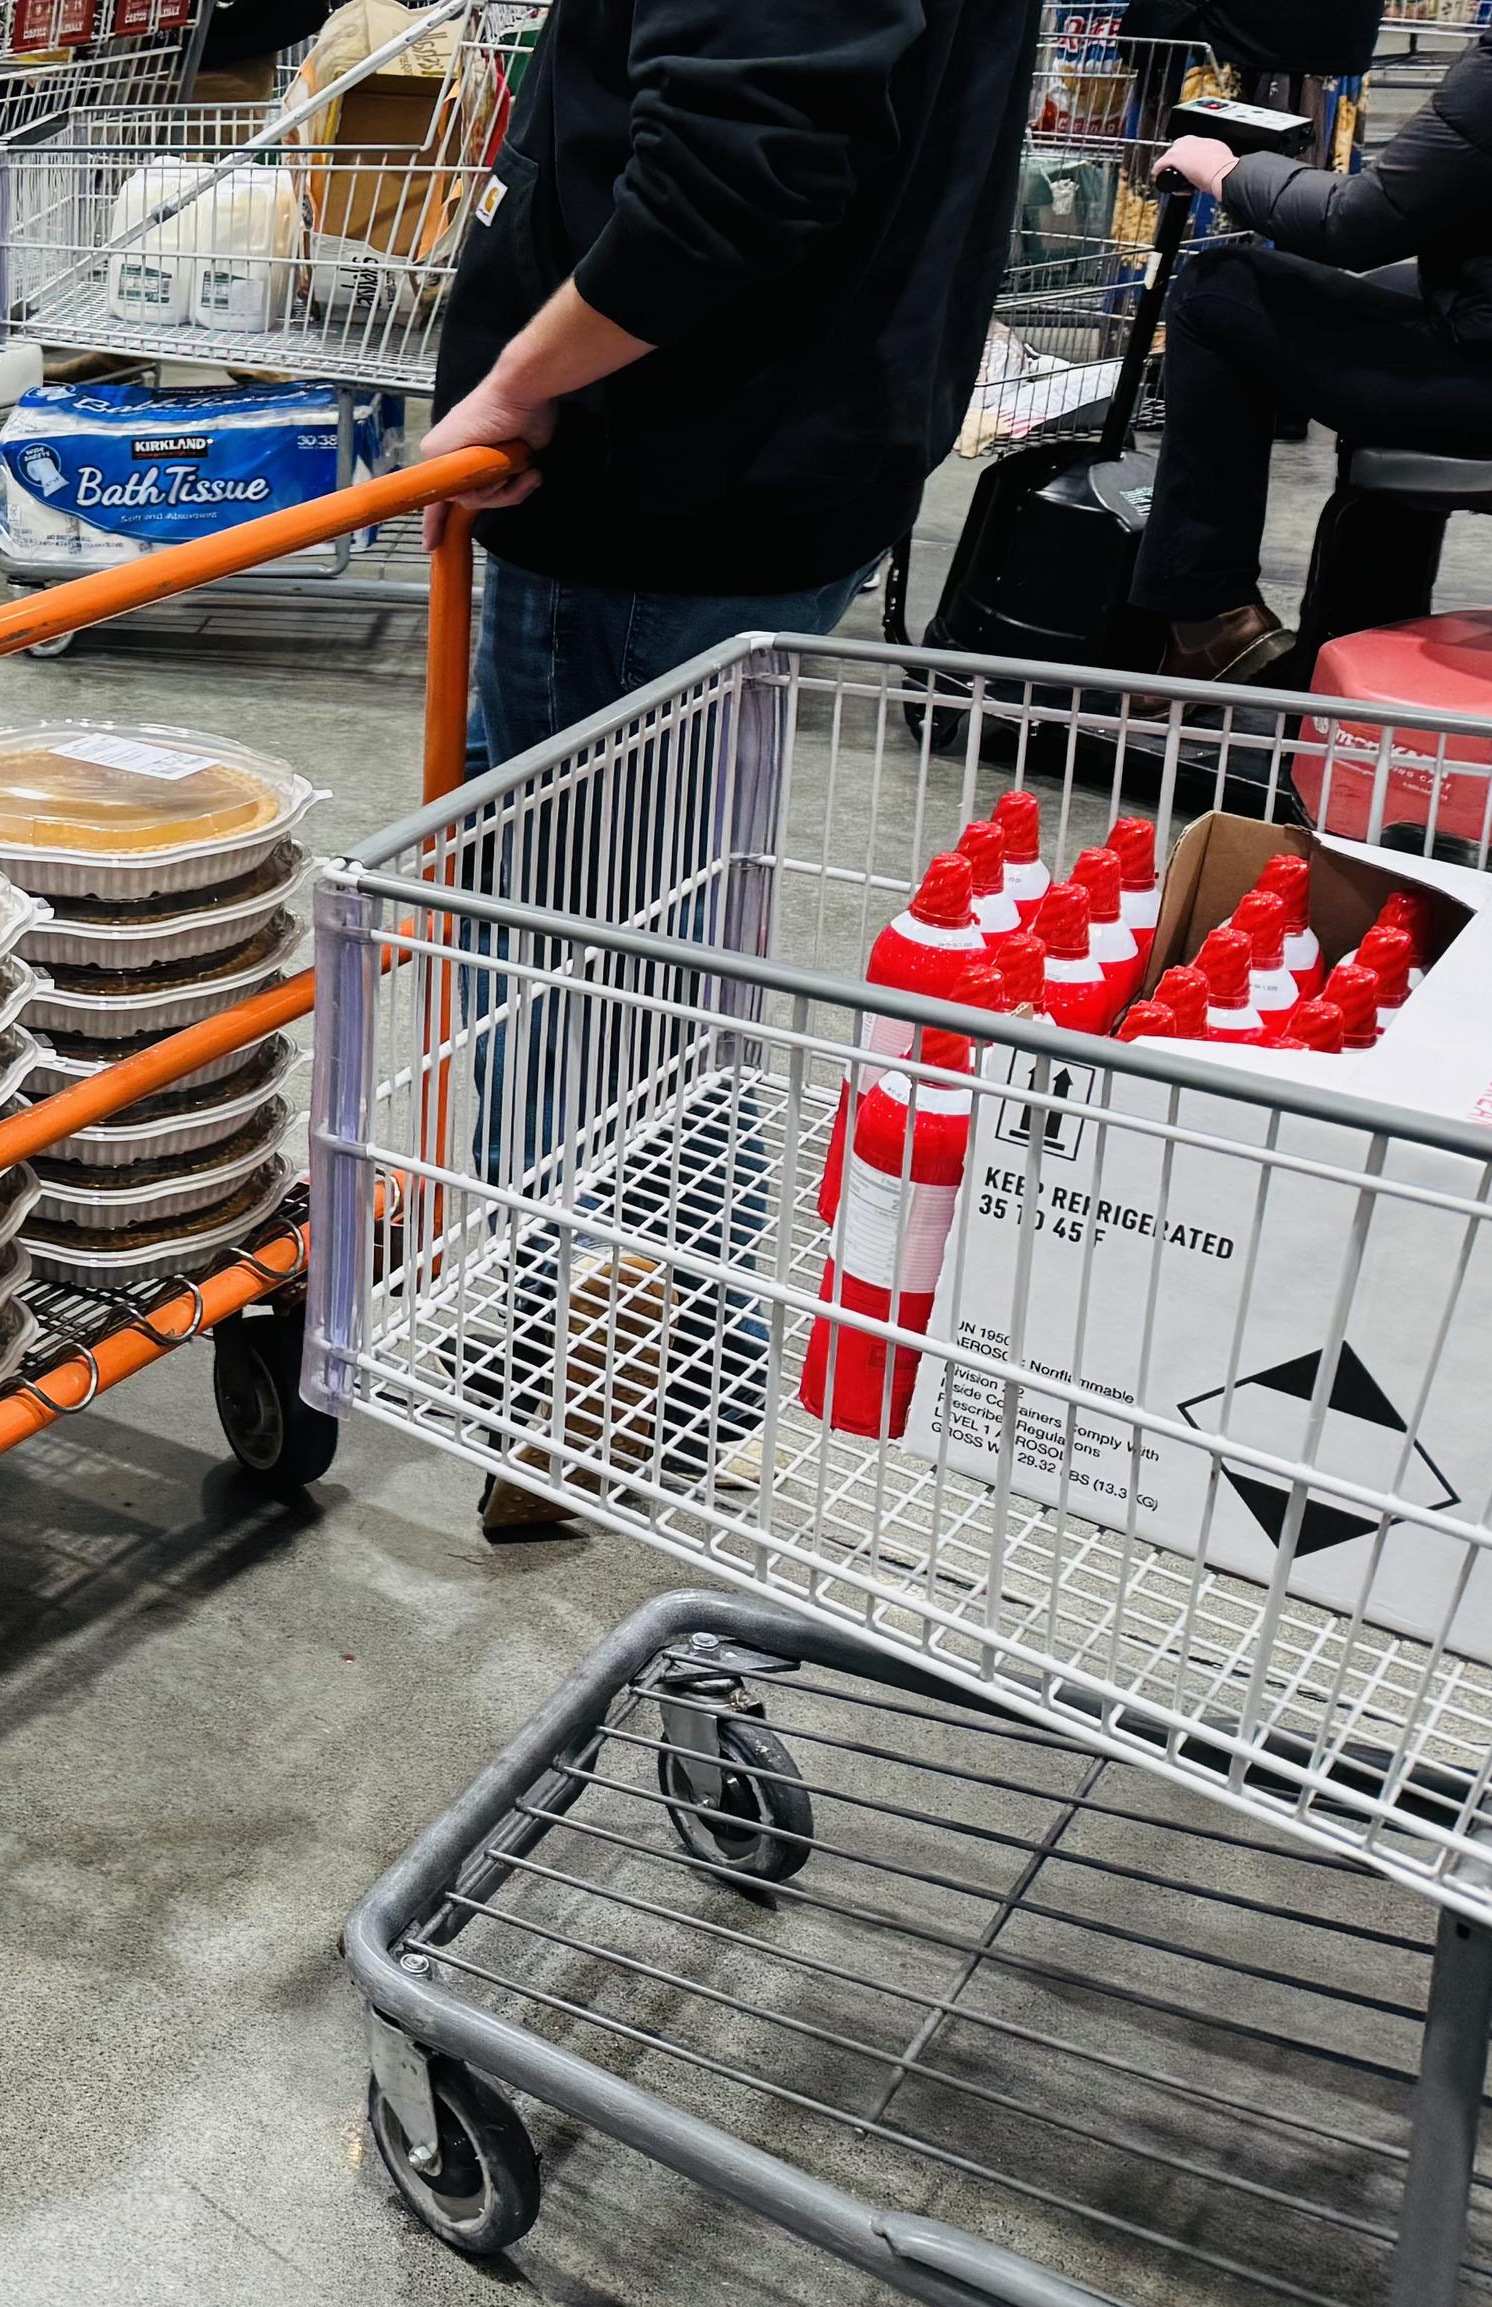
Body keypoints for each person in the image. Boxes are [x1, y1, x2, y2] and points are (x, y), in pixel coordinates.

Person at [412, 0, 1036, 1536]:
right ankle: (662, 1356)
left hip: (661, 481)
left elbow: (733, 174)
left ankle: (621, 1381)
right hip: (754, 462)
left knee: (587, 960)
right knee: (658, 937)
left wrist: (515, 383)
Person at [1131, 0, 1492, 685]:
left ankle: (1207, 618)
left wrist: (1228, 169)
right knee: (1391, 294)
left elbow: (1360, 220)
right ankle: (1357, 639)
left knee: (1217, 291)